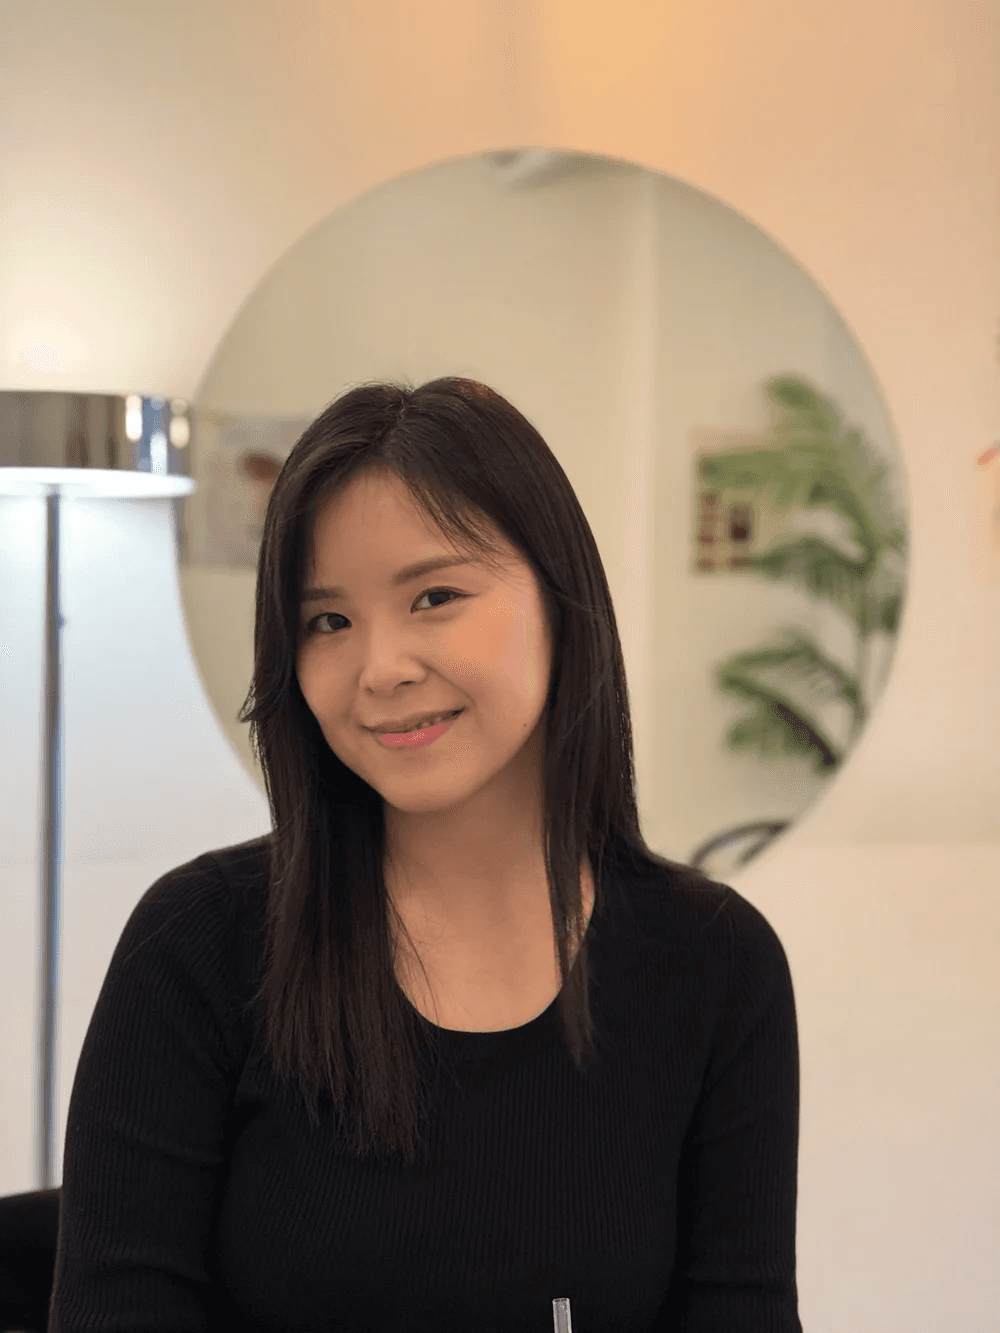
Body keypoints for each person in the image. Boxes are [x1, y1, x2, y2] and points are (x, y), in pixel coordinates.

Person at [47, 376, 802, 1332]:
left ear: (561, 604)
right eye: (328, 621)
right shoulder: (199, 944)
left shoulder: (714, 962)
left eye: (435, 595)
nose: (381, 668)